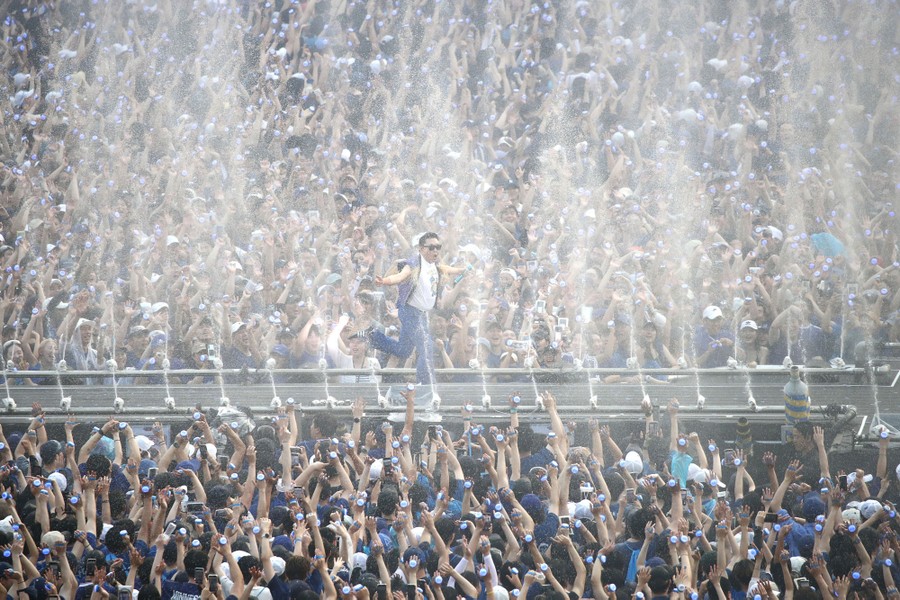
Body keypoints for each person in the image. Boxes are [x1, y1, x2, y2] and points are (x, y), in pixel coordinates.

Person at [370, 233, 467, 385]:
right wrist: (385, 281)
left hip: (420, 314)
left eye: (438, 247)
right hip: (409, 312)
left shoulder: (434, 265)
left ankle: (373, 337)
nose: (436, 250)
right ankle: (426, 386)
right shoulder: (414, 264)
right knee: (426, 347)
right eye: (431, 247)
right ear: (421, 249)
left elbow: (445, 268)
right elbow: (401, 276)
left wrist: (461, 270)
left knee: (404, 350)